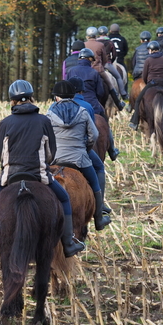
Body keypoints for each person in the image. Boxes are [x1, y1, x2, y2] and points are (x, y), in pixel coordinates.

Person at [0, 80, 85, 260]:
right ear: (31, 98)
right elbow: (51, 153)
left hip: (11, 175)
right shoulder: (43, 120)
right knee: (64, 198)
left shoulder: (5, 123)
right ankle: (69, 243)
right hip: (39, 174)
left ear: (12, 100)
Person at [47, 81, 112, 230]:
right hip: (79, 158)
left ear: (57, 97)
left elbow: (45, 136)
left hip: (55, 158)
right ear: (73, 95)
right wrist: (85, 148)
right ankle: (99, 218)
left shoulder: (50, 113)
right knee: (95, 180)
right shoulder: (82, 111)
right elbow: (94, 135)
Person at [68, 76, 113, 212]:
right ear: (82, 91)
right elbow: (93, 133)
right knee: (99, 168)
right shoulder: (87, 106)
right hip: (80, 149)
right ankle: (99, 208)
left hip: (58, 150)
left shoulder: (55, 107)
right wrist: (87, 148)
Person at [67, 49, 120, 161]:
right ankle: (112, 150)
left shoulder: (71, 71)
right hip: (92, 105)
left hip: (74, 104)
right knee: (104, 123)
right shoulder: (94, 72)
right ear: (90, 60)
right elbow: (100, 92)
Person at [128, 41, 163, 131]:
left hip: (152, 83)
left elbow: (145, 75)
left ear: (151, 50)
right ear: (158, 49)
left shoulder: (148, 60)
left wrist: (148, 82)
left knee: (138, 100)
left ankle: (135, 122)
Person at [84, 27, 125, 110]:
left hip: (86, 69)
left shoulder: (84, 44)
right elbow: (105, 59)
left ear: (87, 36)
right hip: (98, 69)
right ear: (96, 35)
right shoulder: (100, 45)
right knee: (110, 85)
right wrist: (101, 66)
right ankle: (118, 104)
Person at [97, 26, 128, 100]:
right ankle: (123, 93)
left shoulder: (96, 42)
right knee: (118, 77)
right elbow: (114, 55)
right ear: (107, 33)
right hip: (107, 63)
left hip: (97, 64)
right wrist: (111, 61)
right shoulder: (110, 42)